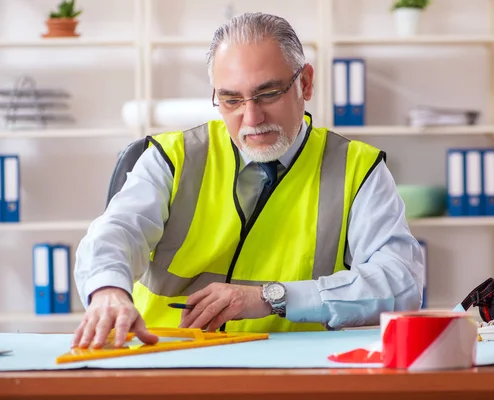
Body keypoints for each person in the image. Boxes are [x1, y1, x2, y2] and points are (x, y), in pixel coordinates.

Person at [71, 11, 424, 349]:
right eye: (231, 99)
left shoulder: (357, 167)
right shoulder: (174, 156)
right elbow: (116, 232)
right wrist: (108, 291)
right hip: (166, 359)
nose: (251, 118)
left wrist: (273, 297)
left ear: (305, 82)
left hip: (293, 370)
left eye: (268, 94)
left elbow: (401, 282)